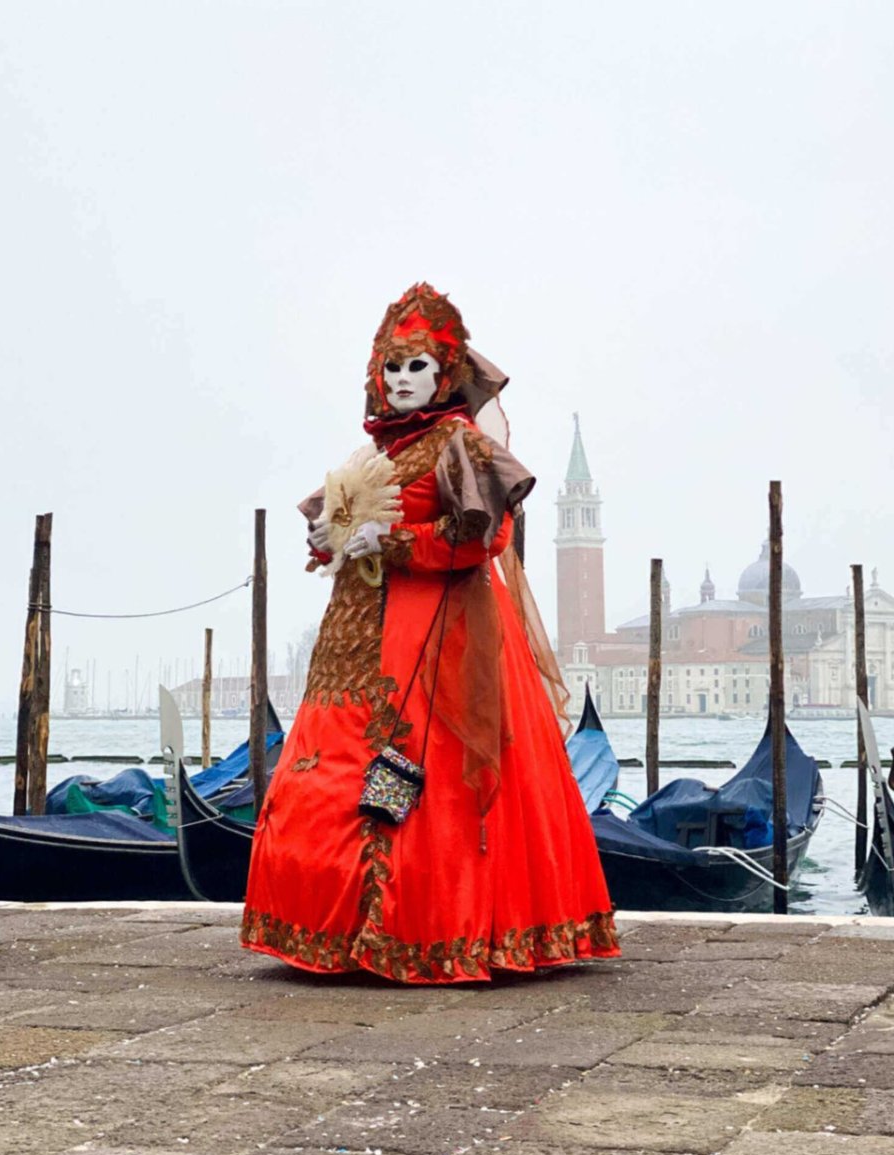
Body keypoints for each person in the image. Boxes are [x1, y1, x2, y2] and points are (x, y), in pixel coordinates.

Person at [241, 283, 619, 983]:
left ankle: (437, 930)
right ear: (375, 376)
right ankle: (333, 929)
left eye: (418, 367)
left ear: (444, 375)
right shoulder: (377, 454)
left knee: (428, 776)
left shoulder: (459, 444)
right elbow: (338, 534)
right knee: (325, 777)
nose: (403, 379)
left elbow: (484, 535)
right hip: (354, 636)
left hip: (438, 636)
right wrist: (334, 538)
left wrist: (392, 541)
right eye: (392, 367)